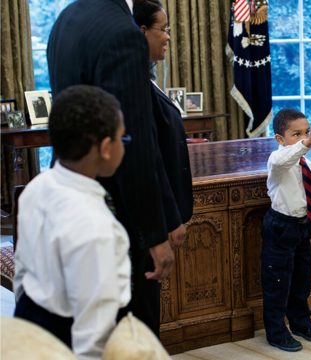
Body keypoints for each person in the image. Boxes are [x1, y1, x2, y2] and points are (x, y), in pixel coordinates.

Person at [47, 0, 183, 335]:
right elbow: (133, 143)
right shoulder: (122, 32)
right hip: (118, 212)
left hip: (72, 196)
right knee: (132, 331)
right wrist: (154, 233)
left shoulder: (67, 17)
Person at [13, 85, 131, 360]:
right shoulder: (95, 227)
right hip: (67, 338)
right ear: (105, 148)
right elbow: (94, 334)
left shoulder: (36, 187)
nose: (123, 146)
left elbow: (22, 271)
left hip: (30, 318)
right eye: (122, 139)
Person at [261, 109, 311, 352]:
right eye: (295, 134)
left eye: (306, 132)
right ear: (280, 139)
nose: (302, 138)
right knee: (277, 281)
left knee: (302, 279)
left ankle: (300, 322)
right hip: (280, 227)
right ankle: (276, 331)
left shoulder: (308, 164)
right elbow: (284, 159)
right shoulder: (277, 161)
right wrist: (307, 142)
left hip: (302, 226)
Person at [134, 0, 193, 247]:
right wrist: (168, 219)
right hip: (155, 219)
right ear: (142, 31)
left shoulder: (147, 77)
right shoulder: (135, 85)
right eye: (164, 28)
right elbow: (150, 157)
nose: (168, 37)